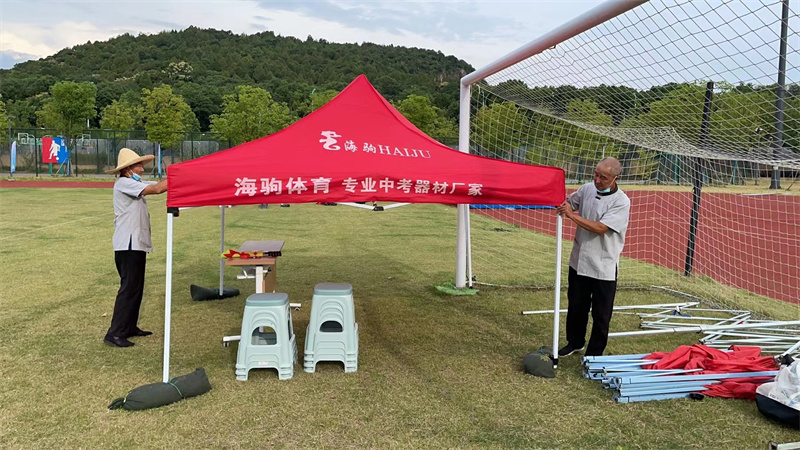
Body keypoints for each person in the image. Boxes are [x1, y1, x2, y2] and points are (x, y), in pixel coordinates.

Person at [556, 157, 630, 358]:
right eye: (596, 174)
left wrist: (572, 215)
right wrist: (557, 198)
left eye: (603, 177)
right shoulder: (587, 189)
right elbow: (568, 203)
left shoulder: (621, 201)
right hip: (579, 260)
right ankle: (575, 342)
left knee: (601, 314)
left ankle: (594, 354)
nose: (597, 180)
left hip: (604, 265)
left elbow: (600, 228)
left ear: (615, 178)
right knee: (576, 306)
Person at [104, 148, 168, 348]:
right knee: (129, 288)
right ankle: (115, 333)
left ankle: (129, 326)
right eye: (139, 166)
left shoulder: (132, 183)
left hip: (135, 244)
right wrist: (179, 177)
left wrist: (172, 179)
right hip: (128, 245)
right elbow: (157, 189)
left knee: (136, 288)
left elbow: (158, 185)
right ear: (127, 169)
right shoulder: (124, 183)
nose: (142, 169)